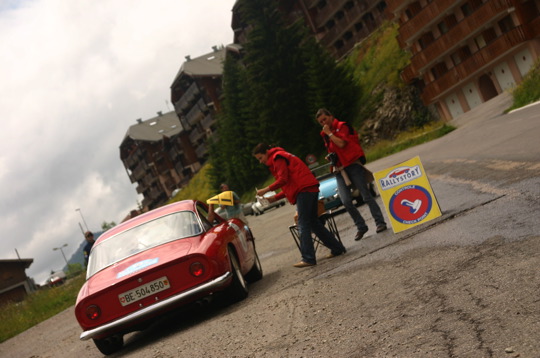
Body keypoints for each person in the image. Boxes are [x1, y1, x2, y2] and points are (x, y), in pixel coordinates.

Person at [252, 143, 346, 268]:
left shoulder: (277, 158)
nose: (261, 161)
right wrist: (273, 198)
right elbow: (290, 184)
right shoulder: (282, 156)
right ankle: (337, 248)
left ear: (267, 152)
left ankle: (308, 258)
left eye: (260, 158)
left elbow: (283, 180)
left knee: (303, 223)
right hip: (309, 188)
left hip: (304, 191)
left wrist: (265, 189)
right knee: (313, 222)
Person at [316, 108, 387, 241]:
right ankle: (361, 226)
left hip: (353, 165)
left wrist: (330, 134)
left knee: (366, 196)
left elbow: (342, 143)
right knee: (346, 201)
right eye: (321, 122)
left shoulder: (342, 126)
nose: (323, 123)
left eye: (325, 119)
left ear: (331, 116)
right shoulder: (325, 134)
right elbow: (334, 149)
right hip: (340, 169)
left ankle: (380, 222)